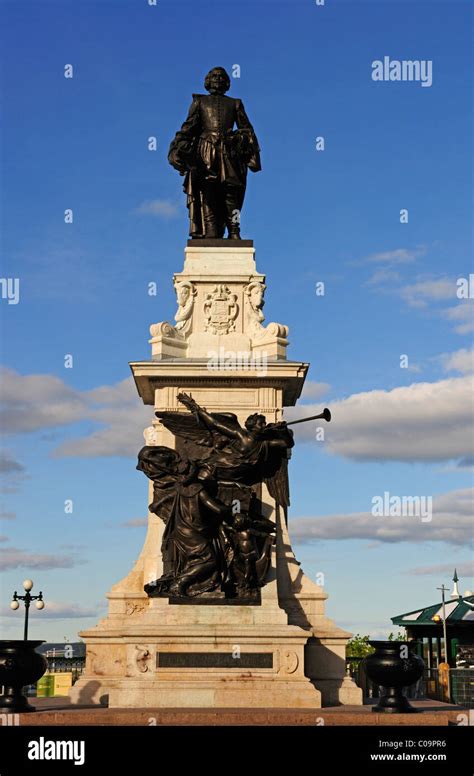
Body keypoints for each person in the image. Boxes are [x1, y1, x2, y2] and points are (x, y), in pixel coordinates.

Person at [168, 66, 261, 239]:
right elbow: (187, 129)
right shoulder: (199, 102)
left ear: (227, 82)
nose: (218, 79)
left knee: (232, 193)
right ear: (208, 81)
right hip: (206, 151)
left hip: (229, 153)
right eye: (214, 76)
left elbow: (247, 129)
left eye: (221, 76)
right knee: (207, 191)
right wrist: (177, 147)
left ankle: (234, 230)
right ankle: (210, 230)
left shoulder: (235, 103)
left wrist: (239, 138)